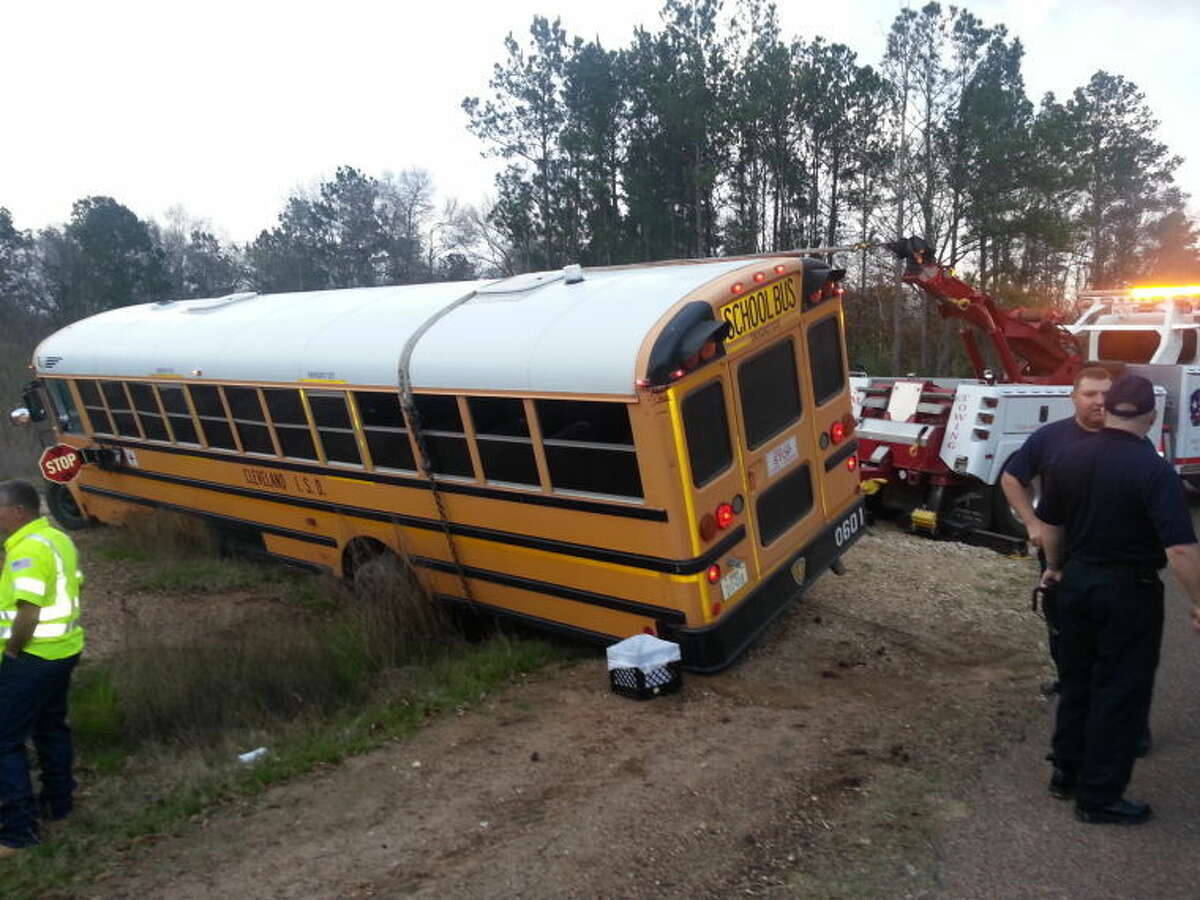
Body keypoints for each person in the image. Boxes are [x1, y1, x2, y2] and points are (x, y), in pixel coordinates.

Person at [1038, 375, 1200, 825]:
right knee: (1121, 690)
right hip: (1129, 592)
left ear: (1107, 409)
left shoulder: (1068, 457)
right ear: (1149, 416)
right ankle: (1100, 796)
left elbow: (1051, 525)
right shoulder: (1154, 470)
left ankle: (1066, 774)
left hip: (1076, 582)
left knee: (1077, 681)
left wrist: (1054, 566)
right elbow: (1182, 550)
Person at [1001, 366, 1112, 685]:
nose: (1099, 401)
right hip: (1062, 553)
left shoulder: (1129, 440)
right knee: (1061, 623)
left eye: (1106, 394)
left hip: (1112, 556)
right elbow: (1011, 478)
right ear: (1073, 397)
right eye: (1090, 394)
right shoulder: (1050, 438)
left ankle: (1109, 699)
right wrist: (1032, 522)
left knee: (1111, 630)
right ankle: (1069, 684)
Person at [0, 480, 85, 853]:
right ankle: (60, 807)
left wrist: (13, 651)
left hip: (33, 657)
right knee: (50, 728)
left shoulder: (28, 552)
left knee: (4, 742)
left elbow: (29, 610)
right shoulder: (56, 538)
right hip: (63, 651)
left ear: (18, 512)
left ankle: (19, 834)